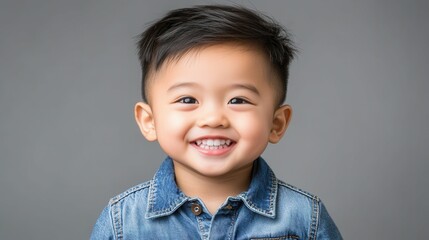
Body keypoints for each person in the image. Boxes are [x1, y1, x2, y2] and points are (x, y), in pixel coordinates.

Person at [91, 4, 342, 239]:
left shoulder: (305, 218)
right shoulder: (123, 221)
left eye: (238, 100)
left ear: (276, 124)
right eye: (188, 99)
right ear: (149, 120)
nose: (213, 119)